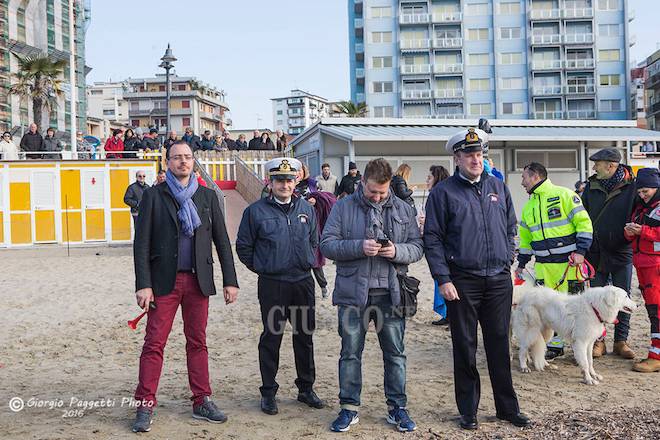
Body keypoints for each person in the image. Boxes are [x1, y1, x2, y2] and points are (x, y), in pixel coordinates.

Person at [424, 127, 530, 431]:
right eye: (469, 153)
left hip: (498, 280)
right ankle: (468, 410)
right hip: (462, 282)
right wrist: (443, 279)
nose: (475, 158)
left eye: (479, 153)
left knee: (499, 345)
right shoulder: (443, 193)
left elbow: (512, 227)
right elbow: (432, 239)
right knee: (465, 346)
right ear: (457, 157)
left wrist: (508, 259)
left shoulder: (499, 186)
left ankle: (507, 409)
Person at [131, 140, 239, 432]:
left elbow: (222, 242)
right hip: (163, 282)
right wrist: (144, 284)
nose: (183, 162)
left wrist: (230, 280)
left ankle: (202, 400)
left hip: (198, 280)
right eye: (177, 157)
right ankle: (144, 405)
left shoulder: (207, 196)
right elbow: (141, 244)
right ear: (168, 162)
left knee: (198, 342)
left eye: (187, 157)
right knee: (154, 343)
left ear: (194, 161)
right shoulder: (153, 196)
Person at [320, 158, 423, 433]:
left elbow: (417, 247)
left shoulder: (403, 207)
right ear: (362, 182)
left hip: (392, 294)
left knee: (395, 354)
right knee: (350, 353)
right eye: (372, 191)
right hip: (353, 294)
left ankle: (397, 408)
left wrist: (396, 252)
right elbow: (327, 245)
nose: (377, 197)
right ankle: (349, 408)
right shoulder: (342, 207)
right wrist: (358, 247)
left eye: (382, 192)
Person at [236, 157, 325, 416]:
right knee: (272, 337)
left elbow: (314, 241)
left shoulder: (306, 209)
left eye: (289, 180)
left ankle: (306, 389)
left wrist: (304, 262)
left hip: (302, 283)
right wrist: (265, 266)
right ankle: (268, 392)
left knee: (304, 337)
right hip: (273, 285)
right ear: (270, 182)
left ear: (295, 181)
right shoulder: (255, 212)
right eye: (279, 180)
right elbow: (244, 247)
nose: (284, 184)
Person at [516, 162, 593, 360]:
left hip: (570, 265)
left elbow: (584, 224)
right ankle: (556, 345)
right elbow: (525, 240)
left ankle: (583, 348)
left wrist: (581, 251)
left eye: (524, 177)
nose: (522, 182)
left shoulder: (565, 195)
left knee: (575, 307)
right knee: (550, 309)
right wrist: (522, 263)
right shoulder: (528, 207)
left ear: (535, 176)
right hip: (542, 266)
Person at [582, 148, 637, 359]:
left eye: (598, 163)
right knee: (597, 299)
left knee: (623, 296)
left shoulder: (631, 188)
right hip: (595, 252)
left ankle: (621, 341)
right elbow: (584, 216)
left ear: (611, 166)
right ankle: (599, 341)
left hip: (622, 251)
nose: (594, 167)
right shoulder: (591, 186)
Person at [624, 168, 660, 373]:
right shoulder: (641, 208)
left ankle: (656, 357)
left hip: (655, 267)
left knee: (657, 312)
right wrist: (629, 232)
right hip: (644, 267)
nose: (642, 195)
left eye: (645, 191)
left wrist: (642, 231)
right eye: (640, 191)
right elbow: (636, 237)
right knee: (653, 311)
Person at [419, 165, 450, 326]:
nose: (426, 180)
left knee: (443, 279)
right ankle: (447, 314)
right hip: (444, 245)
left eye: (429, 177)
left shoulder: (437, 196)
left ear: (437, 178)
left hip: (442, 246)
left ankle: (448, 314)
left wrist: (427, 222)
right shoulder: (443, 194)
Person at [306, 191, 336, 299]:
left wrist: (315, 198)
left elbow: (326, 199)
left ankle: (323, 287)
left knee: (315, 264)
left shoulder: (312, 185)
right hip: (298, 236)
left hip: (314, 235)